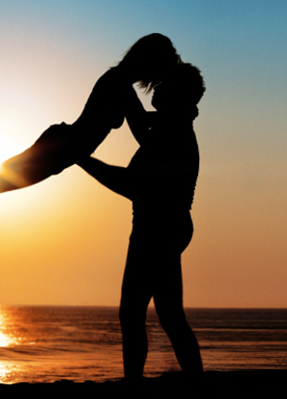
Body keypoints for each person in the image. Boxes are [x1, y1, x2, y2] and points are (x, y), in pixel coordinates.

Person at [0, 33, 179, 195]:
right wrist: (178, 115)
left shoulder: (118, 81)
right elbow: (143, 134)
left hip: (63, 145)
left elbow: (142, 123)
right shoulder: (119, 85)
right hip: (63, 147)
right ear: (150, 62)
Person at [76, 63, 205, 380]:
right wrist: (121, 82)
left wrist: (80, 158)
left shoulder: (173, 133)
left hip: (158, 228)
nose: (156, 90)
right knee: (169, 315)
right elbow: (137, 117)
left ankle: (135, 385)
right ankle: (194, 383)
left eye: (163, 86)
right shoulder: (167, 126)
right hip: (165, 226)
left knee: (133, 313)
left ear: (176, 94)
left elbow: (131, 185)